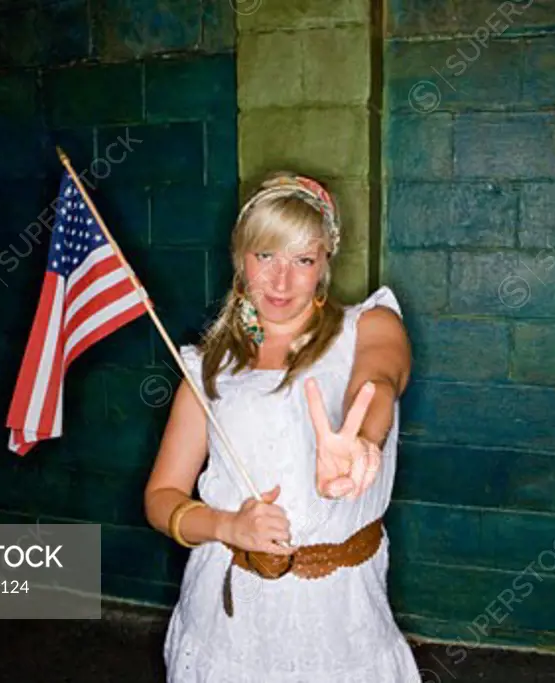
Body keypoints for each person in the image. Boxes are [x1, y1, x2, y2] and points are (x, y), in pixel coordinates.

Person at [144, 171, 422, 682]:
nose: (280, 280)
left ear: (324, 266)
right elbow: (161, 497)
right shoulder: (209, 367)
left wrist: (363, 443)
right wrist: (228, 525)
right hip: (228, 617)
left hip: (341, 616)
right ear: (240, 258)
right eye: (265, 255)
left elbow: (379, 382)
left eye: (302, 260)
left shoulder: (369, 327)